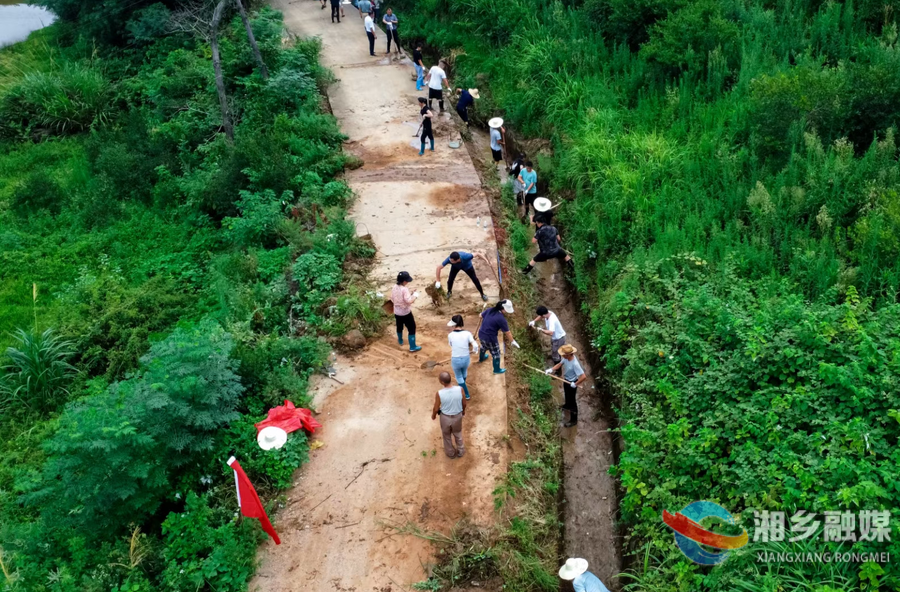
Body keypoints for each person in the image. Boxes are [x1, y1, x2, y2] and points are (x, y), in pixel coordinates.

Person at [547, 344, 586, 427]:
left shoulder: (575, 364)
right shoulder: (565, 359)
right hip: (566, 380)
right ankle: (566, 405)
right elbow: (560, 364)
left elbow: (583, 376)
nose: (562, 356)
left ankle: (573, 420)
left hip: (572, 383)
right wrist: (551, 369)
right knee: (566, 395)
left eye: (564, 354)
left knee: (572, 402)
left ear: (568, 354)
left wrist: (575, 384)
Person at [477, 299, 519, 374]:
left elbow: (480, 315)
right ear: (503, 309)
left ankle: (481, 358)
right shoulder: (501, 319)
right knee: (496, 353)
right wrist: (512, 341)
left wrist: (482, 315)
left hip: (481, 334)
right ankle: (496, 370)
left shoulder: (490, 309)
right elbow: (507, 332)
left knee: (483, 346)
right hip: (490, 338)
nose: (506, 312)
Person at [431, 372, 466, 458]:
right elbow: (464, 403)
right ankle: (461, 450)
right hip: (457, 416)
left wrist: (434, 415)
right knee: (458, 433)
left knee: (446, 436)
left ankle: (451, 453)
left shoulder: (439, 393)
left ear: (442, 382)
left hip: (445, 418)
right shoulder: (460, 389)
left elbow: (436, 408)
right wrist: (463, 411)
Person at [447, 315, 478, 400]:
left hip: (456, 359)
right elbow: (475, 345)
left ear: (454, 325)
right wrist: (475, 350)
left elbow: (451, 345)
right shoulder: (468, 333)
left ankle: (466, 394)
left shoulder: (450, 335)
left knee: (458, 376)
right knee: (464, 372)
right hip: (466, 358)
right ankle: (462, 384)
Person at [392, 271, 422, 351]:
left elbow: (395, 297)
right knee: (412, 328)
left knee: (399, 326)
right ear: (404, 281)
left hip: (397, 312)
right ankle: (412, 347)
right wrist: (415, 296)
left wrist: (410, 294)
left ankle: (400, 340)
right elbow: (408, 301)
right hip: (405, 313)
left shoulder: (394, 286)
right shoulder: (404, 289)